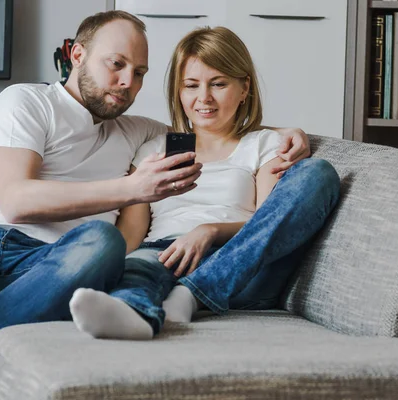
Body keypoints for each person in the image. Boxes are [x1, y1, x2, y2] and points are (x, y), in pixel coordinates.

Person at [0, 11, 310, 400]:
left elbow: (213, 124)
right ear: (77, 55)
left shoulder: (139, 131)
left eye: (139, 72)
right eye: (115, 65)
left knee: (103, 241)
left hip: (48, 268)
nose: (127, 83)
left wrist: (291, 135)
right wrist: (133, 189)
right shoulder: (26, 101)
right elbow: (17, 201)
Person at [68, 26, 340, 341]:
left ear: (244, 88)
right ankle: (134, 311)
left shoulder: (266, 144)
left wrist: (208, 231)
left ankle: (192, 296)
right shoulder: (154, 148)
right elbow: (132, 232)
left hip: (239, 263)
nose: (204, 98)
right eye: (191, 85)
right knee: (138, 267)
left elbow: (268, 225)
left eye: (219, 84)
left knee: (318, 172)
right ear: (178, 92)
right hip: (164, 253)